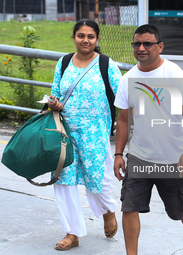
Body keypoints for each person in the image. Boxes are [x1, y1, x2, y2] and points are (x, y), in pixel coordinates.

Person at [113, 24, 183, 255]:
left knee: (181, 210)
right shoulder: (128, 79)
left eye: (147, 43)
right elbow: (123, 120)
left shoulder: (174, 74)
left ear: (160, 46)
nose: (141, 48)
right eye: (137, 44)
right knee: (129, 207)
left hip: (172, 159)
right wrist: (119, 154)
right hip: (139, 157)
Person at [47, 19, 122, 251]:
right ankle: (72, 232)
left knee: (97, 180)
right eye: (81, 35)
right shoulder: (64, 62)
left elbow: (123, 97)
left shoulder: (106, 65)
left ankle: (108, 211)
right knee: (63, 181)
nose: (85, 40)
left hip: (95, 134)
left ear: (97, 39)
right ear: (74, 38)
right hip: (65, 132)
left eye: (90, 36)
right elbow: (54, 93)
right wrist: (54, 103)